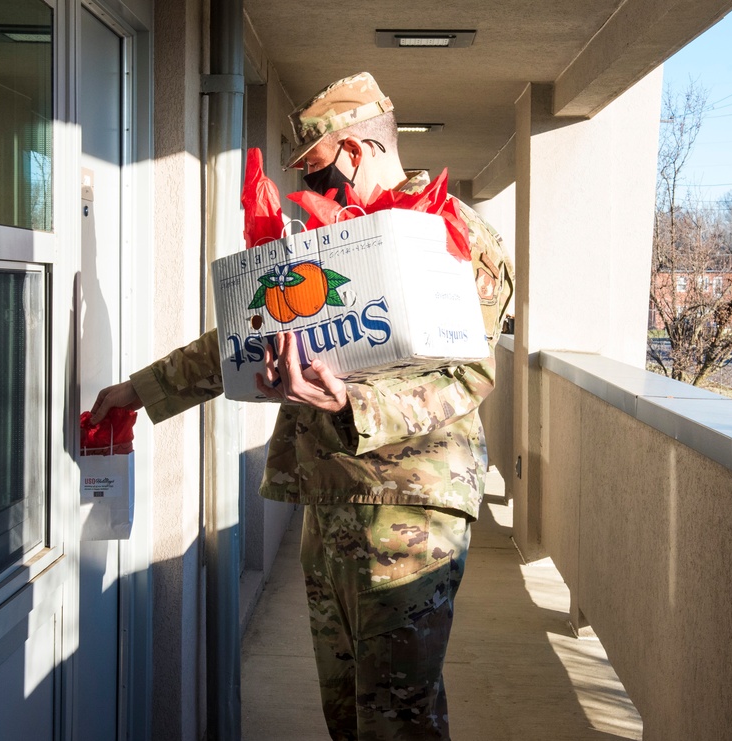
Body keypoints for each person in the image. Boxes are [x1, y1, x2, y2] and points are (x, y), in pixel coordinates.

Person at [90, 71, 513, 741]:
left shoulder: (449, 232)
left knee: (397, 718)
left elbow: (467, 372)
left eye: (315, 173)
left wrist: (354, 400)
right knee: (346, 713)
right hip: (332, 507)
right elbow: (248, 332)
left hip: (409, 513)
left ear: (352, 153)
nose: (308, 192)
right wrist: (142, 390)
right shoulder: (333, 236)